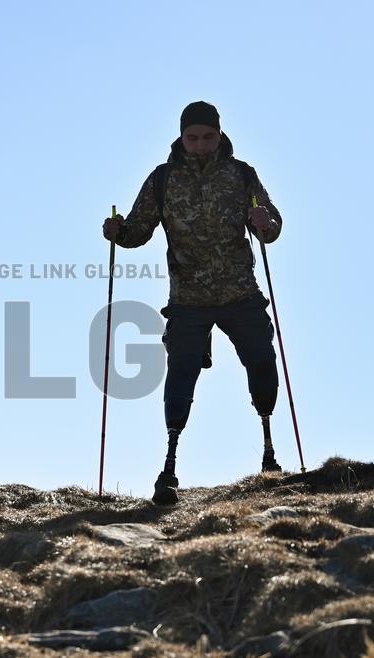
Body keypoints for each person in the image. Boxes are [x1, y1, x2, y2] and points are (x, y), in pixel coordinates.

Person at [103, 101, 283, 505]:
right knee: (181, 373)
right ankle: (169, 469)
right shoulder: (163, 179)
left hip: (240, 292)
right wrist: (118, 232)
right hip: (188, 299)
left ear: (219, 135)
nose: (200, 145)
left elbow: (271, 226)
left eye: (208, 137)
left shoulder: (240, 174)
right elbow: (139, 231)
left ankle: (269, 452)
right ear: (181, 138)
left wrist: (265, 224)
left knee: (262, 361)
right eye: (192, 138)